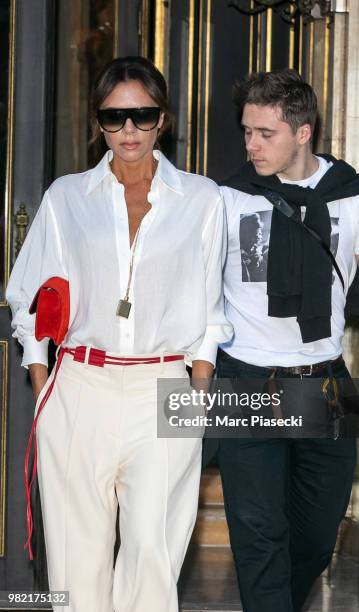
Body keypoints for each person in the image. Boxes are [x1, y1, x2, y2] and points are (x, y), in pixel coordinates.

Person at [6, 56, 232, 612]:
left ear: (163, 119)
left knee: (154, 552)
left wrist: (197, 391)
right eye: (114, 117)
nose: (128, 129)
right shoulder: (67, 197)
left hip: (166, 386)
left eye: (141, 114)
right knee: (74, 556)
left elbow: (211, 307)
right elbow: (27, 297)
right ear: (98, 123)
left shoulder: (202, 199)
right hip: (79, 385)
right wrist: (44, 389)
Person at [212, 69, 359, 612]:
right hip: (245, 380)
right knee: (258, 534)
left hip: (323, 382)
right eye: (246, 131)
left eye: (264, 133)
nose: (251, 145)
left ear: (303, 131)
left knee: (319, 535)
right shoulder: (227, 197)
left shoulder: (358, 199)